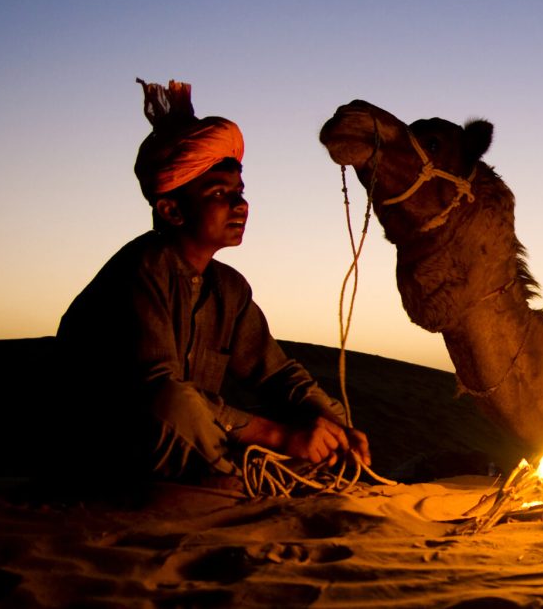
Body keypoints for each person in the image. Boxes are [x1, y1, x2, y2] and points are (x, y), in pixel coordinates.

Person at [57, 79, 370, 488]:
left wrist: (334, 424)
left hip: (193, 445)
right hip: (111, 451)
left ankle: (250, 480)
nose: (240, 205)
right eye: (219, 193)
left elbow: (276, 374)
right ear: (171, 210)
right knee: (174, 402)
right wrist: (279, 436)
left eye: (240, 192)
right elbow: (160, 394)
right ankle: (239, 485)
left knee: (317, 424)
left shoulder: (228, 289)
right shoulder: (141, 271)